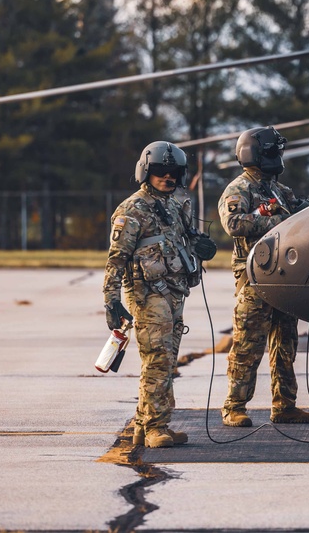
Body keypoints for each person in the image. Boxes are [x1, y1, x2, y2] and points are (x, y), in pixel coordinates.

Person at [102, 141, 218, 449]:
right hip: (147, 295)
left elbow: (183, 241)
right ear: (145, 171)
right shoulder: (131, 210)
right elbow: (116, 259)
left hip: (174, 292)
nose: (167, 177)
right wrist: (111, 300)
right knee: (157, 360)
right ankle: (156, 427)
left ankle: (144, 425)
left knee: (166, 361)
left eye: (173, 172)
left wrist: (199, 245)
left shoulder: (176, 205)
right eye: (160, 171)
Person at [219, 126, 309, 427]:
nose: (277, 156)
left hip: (283, 276)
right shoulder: (239, 189)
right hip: (254, 279)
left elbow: (302, 211)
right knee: (247, 345)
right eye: (273, 151)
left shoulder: (278, 190)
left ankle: (284, 405)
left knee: (285, 343)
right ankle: (234, 407)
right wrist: (278, 221)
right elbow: (233, 223)